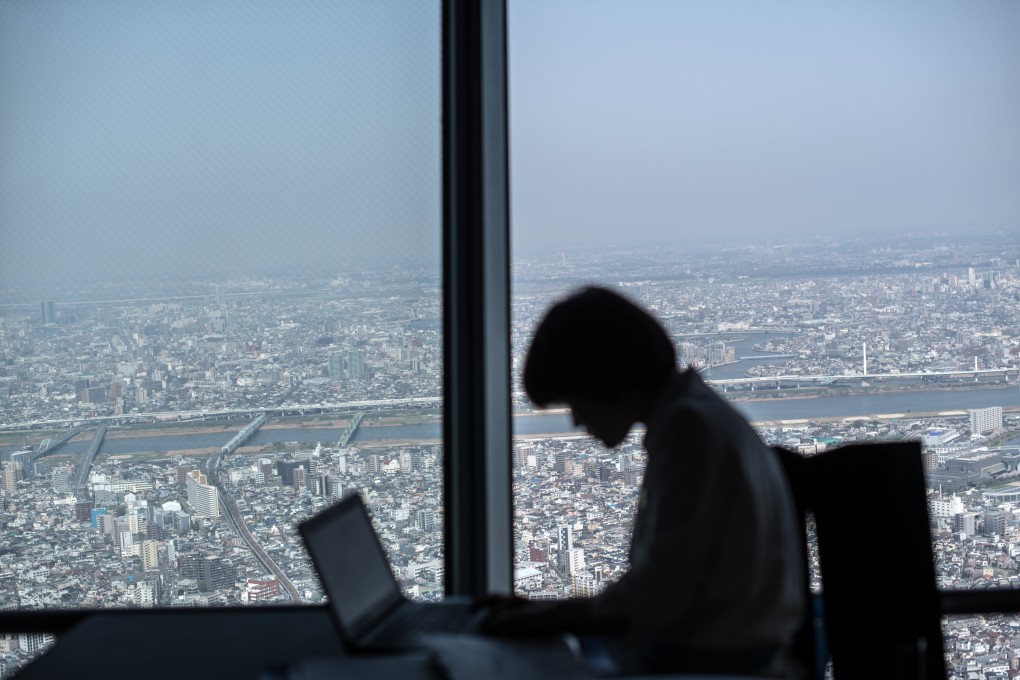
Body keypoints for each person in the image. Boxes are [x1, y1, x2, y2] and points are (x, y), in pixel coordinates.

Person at [482, 286, 806, 678]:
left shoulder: (690, 431)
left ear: (607, 381)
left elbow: (662, 594)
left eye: (575, 401)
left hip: (712, 664)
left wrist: (555, 616)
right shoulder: (699, 417)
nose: (576, 421)